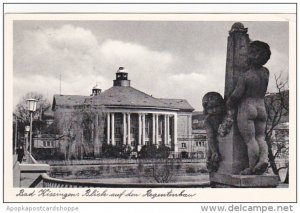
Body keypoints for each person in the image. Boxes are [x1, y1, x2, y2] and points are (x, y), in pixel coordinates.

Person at [226, 41, 271, 175]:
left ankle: (252, 168)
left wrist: (228, 104)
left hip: (247, 107)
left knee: (250, 140)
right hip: (261, 106)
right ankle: (263, 159)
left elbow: (236, 96)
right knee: (261, 138)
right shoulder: (266, 72)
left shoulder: (245, 76)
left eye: (250, 52)